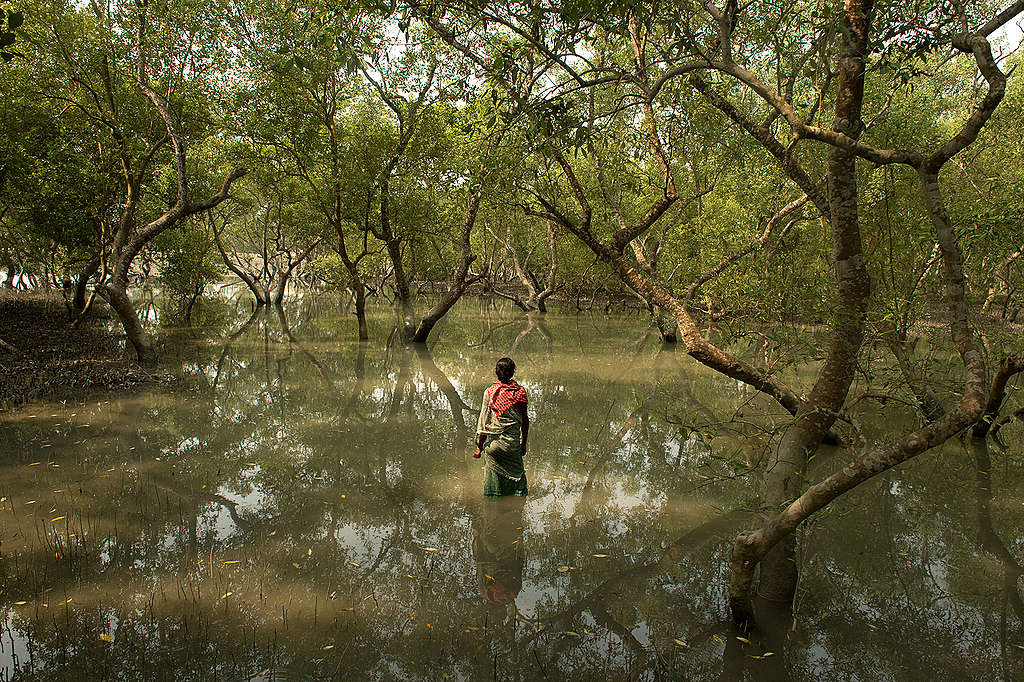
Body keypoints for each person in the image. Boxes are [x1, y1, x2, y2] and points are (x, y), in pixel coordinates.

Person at [474, 357, 529, 497]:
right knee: (519, 488)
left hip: (494, 448)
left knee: (494, 486)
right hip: (512, 446)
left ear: (496, 372)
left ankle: (493, 506)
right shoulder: (520, 392)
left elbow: (485, 424)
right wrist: (523, 444)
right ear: (513, 372)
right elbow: (525, 421)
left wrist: (479, 448)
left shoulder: (490, 392)